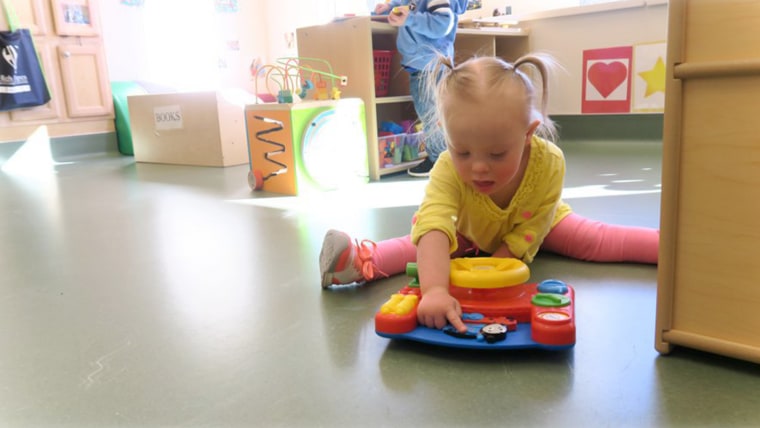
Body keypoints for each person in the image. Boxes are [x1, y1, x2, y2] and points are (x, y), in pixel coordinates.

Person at [319, 53, 659, 333]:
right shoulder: (447, 168)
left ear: (528, 134)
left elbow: (535, 225)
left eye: (497, 154)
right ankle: (360, 261)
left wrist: (500, 262)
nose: (479, 167)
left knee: (594, 240)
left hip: (537, 223)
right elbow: (434, 223)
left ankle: (671, 246)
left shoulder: (549, 162)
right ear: (445, 134)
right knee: (420, 243)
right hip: (467, 228)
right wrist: (435, 290)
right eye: (463, 152)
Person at [374, 0, 469, 177]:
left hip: (429, 65)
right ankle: (443, 157)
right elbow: (411, 4)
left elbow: (441, 24)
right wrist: (390, 6)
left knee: (431, 114)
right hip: (424, 63)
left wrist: (409, 18)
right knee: (433, 112)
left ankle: (439, 160)